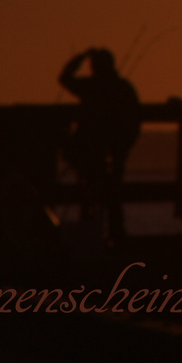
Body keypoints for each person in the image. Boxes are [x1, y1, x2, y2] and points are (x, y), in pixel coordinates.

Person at [58, 48, 141, 243]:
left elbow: (65, 78)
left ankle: (89, 238)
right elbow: (135, 123)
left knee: (89, 196)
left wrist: (78, 58)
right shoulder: (123, 87)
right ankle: (117, 236)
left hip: (89, 152)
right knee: (112, 197)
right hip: (114, 152)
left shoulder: (91, 86)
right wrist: (123, 149)